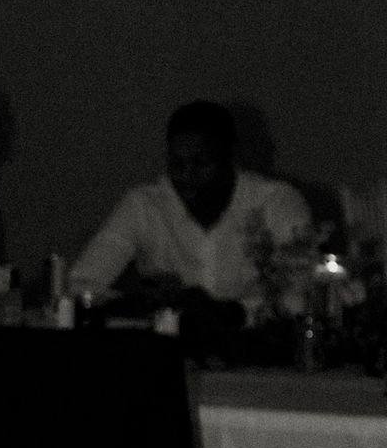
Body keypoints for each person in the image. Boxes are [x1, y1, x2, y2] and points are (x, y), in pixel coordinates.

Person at [69, 101, 311, 334]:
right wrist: (143, 303)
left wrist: (233, 312)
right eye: (177, 164)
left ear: (231, 156)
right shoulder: (144, 205)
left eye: (201, 163)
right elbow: (81, 284)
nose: (187, 176)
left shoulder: (276, 202)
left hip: (258, 348)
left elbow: (306, 293)